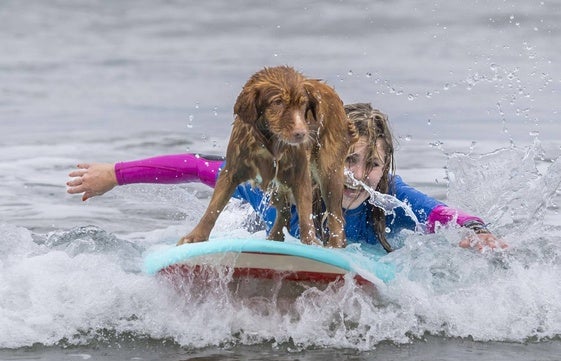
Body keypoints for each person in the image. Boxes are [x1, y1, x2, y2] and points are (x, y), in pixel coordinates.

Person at [66, 103, 506, 252]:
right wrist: (116, 175)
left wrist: (476, 230)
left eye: (371, 164)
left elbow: (440, 213)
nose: (357, 176)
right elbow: (199, 167)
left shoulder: (390, 198)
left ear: (385, 166)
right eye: (346, 160)